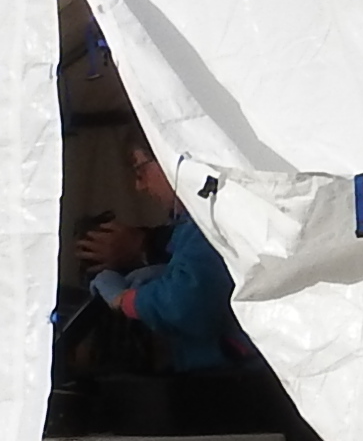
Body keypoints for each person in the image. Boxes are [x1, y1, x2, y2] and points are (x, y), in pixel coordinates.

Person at [72, 146, 248, 371]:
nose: (140, 186)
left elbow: (187, 304)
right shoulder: (188, 225)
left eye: (140, 171)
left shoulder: (208, 220)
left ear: (167, 157)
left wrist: (124, 299)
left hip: (229, 379)